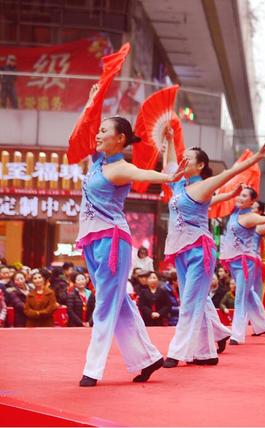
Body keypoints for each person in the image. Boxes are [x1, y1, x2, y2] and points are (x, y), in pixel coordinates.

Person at [74, 83, 179, 387]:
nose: (98, 134)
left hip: (112, 243)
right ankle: (147, 358)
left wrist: (171, 174)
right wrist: (93, 99)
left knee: (105, 304)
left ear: (120, 139)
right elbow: (85, 128)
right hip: (93, 241)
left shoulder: (120, 167)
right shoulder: (97, 161)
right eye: (100, 130)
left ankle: (92, 369)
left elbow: (147, 175)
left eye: (105, 131)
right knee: (119, 302)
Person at [161, 128, 265, 369]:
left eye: (188, 159)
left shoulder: (203, 185)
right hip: (180, 251)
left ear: (200, 166)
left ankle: (176, 351)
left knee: (191, 302)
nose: (182, 160)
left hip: (199, 253)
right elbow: (169, 166)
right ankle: (207, 351)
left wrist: (256, 157)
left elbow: (232, 171)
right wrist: (170, 140)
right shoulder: (178, 186)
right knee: (197, 301)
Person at [219, 186, 265, 345]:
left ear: (252, 201)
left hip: (246, 263)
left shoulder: (251, 217)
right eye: (239, 195)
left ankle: (237, 335)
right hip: (233, 261)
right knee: (248, 295)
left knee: (240, 297)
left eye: (244, 196)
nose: (240, 198)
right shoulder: (235, 212)